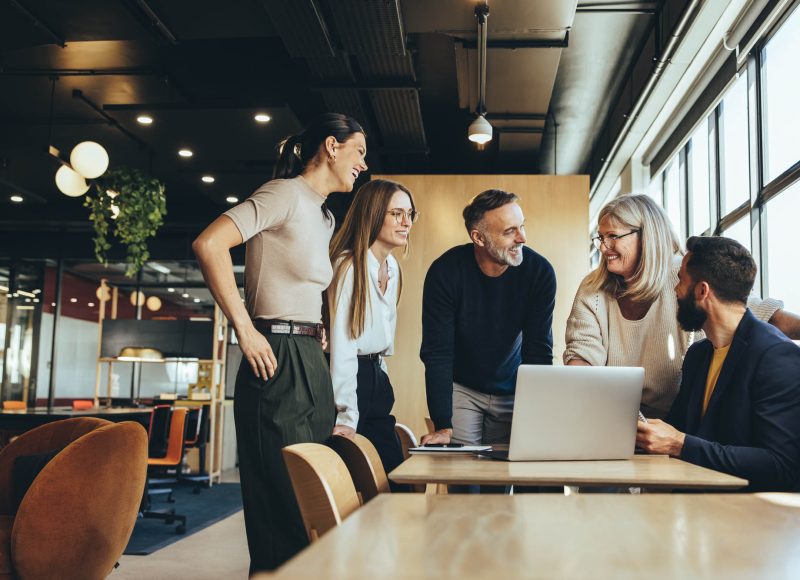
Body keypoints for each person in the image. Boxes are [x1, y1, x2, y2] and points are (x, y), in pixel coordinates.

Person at [192, 113, 367, 572]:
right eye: (359, 151)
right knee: (282, 513)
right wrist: (245, 329)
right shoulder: (283, 194)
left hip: (309, 358)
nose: (363, 164)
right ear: (331, 146)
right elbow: (209, 244)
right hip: (275, 356)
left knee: (313, 509)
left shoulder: (325, 216)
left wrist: (316, 326)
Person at [564, 194, 800, 418]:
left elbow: (759, 315)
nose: (603, 247)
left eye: (613, 236)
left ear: (646, 237)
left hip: (680, 420)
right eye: (601, 237)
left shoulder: (685, 275)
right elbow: (582, 355)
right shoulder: (593, 288)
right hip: (613, 415)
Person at [636, 236, 800, 491]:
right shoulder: (698, 355)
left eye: (681, 280)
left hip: (749, 511)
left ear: (702, 291)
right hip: (695, 503)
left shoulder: (776, 356)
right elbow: (677, 430)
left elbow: (782, 465)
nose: (675, 290)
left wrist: (680, 444)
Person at [419, 189, 556, 448]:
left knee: (510, 467)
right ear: (478, 237)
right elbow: (437, 352)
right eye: (510, 231)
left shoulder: (540, 272)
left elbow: (538, 350)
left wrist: (538, 414)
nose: (522, 238)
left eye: (522, 226)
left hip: (516, 386)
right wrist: (443, 424)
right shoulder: (445, 272)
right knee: (464, 469)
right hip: (463, 388)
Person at [327, 178, 418, 481]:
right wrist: (347, 414)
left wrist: (383, 377)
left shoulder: (392, 268)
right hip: (349, 380)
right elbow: (343, 346)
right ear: (373, 214)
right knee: (353, 478)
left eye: (410, 214)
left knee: (392, 476)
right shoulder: (348, 266)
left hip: (376, 375)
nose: (406, 222)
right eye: (397, 214)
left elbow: (383, 338)